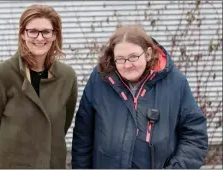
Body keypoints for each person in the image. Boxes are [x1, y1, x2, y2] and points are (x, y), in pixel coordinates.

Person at [71, 24, 208, 169]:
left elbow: (195, 136)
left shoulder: (176, 83)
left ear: (148, 54)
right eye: (120, 59)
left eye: (133, 57)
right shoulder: (99, 80)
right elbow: (82, 138)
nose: (127, 65)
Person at [0, 4, 77, 169]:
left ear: (55, 35)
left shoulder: (67, 77)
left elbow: (61, 126)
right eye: (33, 31)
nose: (39, 38)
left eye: (46, 31)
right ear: (23, 34)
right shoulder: (2, 75)